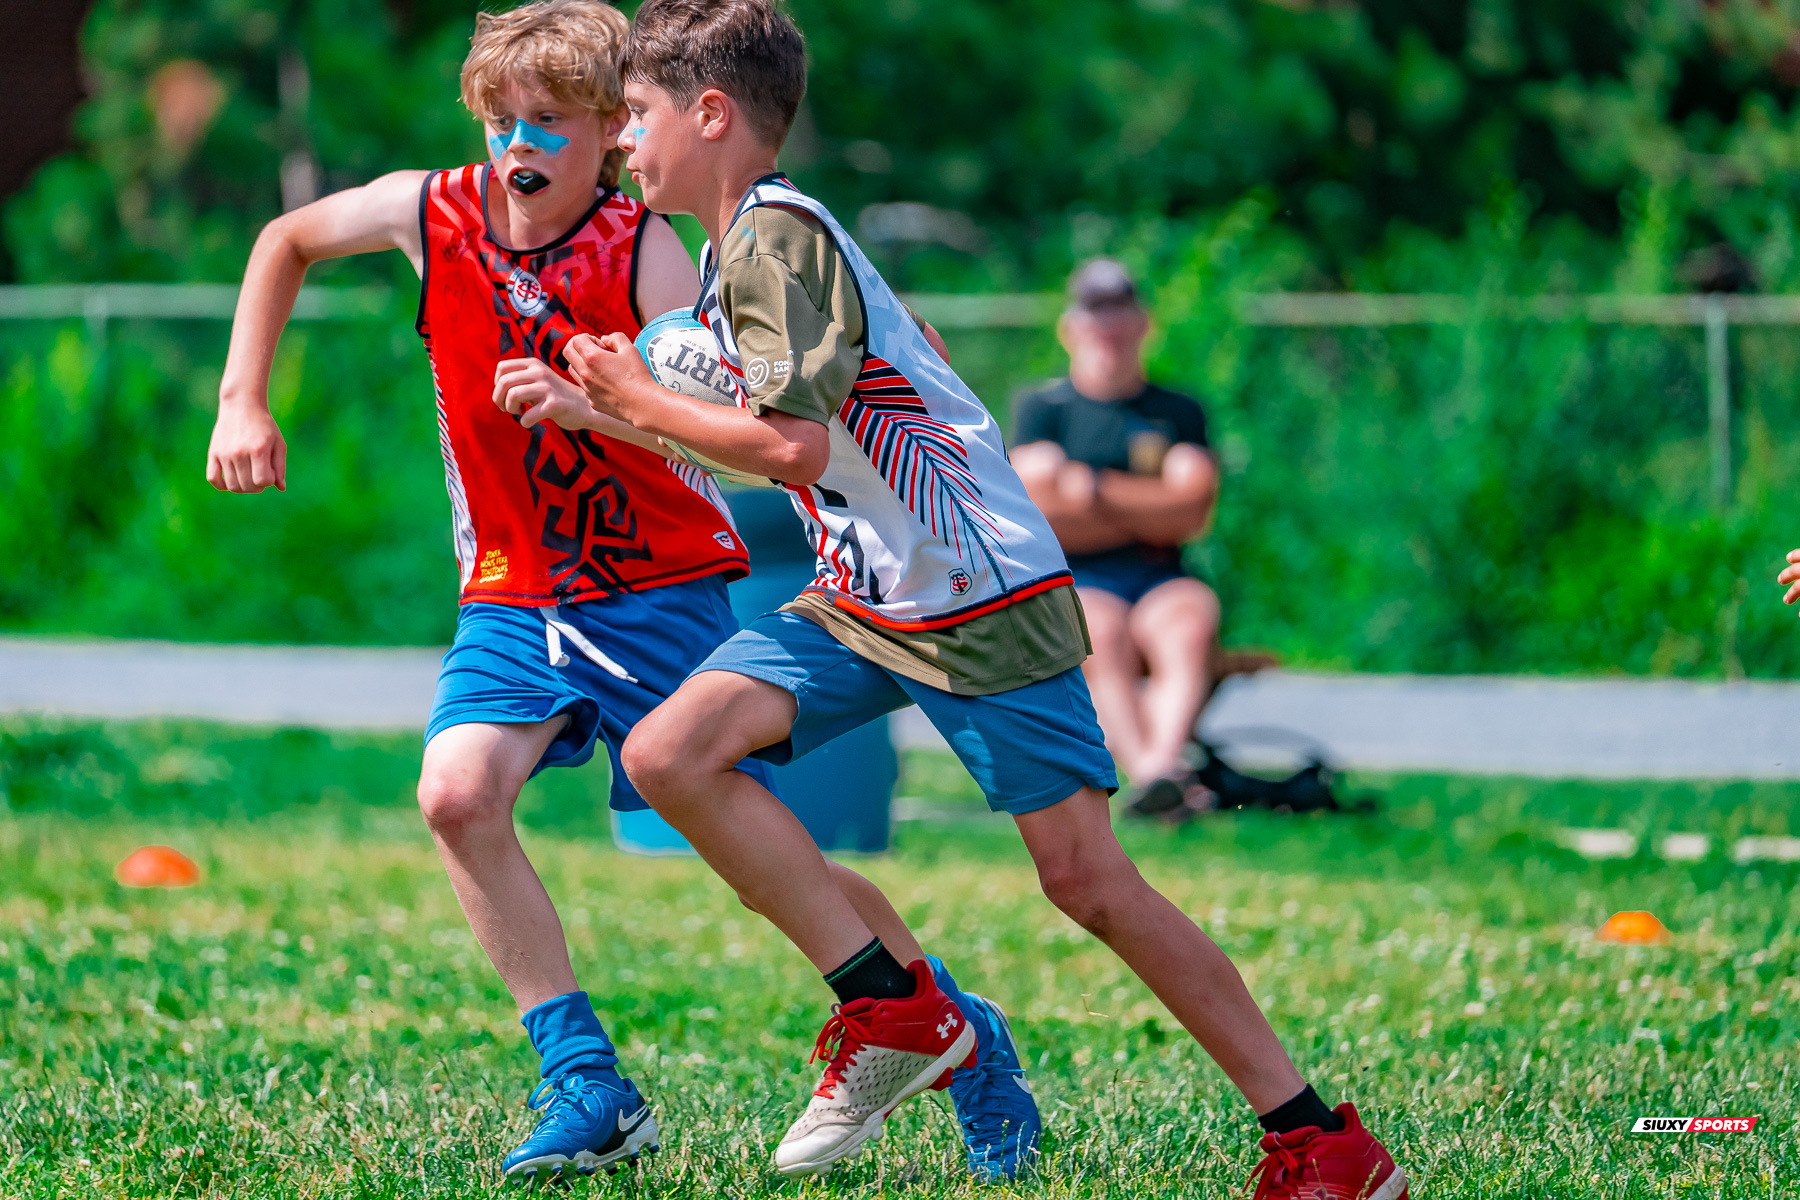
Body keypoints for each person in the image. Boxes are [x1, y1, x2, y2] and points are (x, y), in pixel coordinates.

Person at [560, 1, 1410, 1194]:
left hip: (976, 593)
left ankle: (1321, 1143)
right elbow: (835, 414)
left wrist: (640, 402)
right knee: (670, 755)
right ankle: (896, 1008)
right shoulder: (741, 248)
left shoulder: (775, 241)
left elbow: (794, 447)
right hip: (870, 594)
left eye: (636, 113)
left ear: (710, 114)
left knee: (1088, 884)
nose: (619, 138)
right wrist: (608, 411)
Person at [201, 0, 1035, 1182]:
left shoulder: (651, 254)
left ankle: (947, 1021)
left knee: (755, 857)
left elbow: (722, 440)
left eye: (548, 120)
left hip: (658, 586)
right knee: (456, 794)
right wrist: (242, 398)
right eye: (498, 119)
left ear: (610, 131)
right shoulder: (431, 214)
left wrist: (596, 406)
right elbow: (285, 237)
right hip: (511, 589)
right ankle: (583, 1080)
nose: (516, 144)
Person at [1011, 260, 1221, 813]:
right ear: (1070, 328)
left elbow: (1192, 512)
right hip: (1075, 574)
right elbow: (1038, 513)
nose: (1108, 327)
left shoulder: (1178, 410)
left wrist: (1092, 491)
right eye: (1095, 313)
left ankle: (1160, 771)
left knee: (1190, 623)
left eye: (1119, 312)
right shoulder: (1044, 410)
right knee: (1098, 631)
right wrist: (1151, 505)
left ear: (1143, 323)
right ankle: (1159, 775)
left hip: (1159, 574)